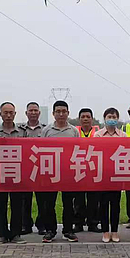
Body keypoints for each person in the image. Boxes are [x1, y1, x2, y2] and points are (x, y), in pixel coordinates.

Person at [0, 102, 27, 245]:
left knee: (17, 205)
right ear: (0, 114)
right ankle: (2, 234)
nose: (8, 115)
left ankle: (16, 233)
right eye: (6, 113)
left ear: (15, 114)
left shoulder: (22, 132)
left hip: (17, 174)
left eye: (11, 113)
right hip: (0, 174)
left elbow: (27, 151)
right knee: (1, 205)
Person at [41, 100, 80, 243]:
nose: (61, 114)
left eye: (64, 111)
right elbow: (41, 150)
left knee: (68, 203)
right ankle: (50, 231)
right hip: (51, 171)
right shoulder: (47, 131)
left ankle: (68, 230)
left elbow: (78, 150)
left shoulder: (74, 131)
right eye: (58, 111)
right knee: (49, 203)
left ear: (68, 113)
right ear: (53, 113)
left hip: (68, 172)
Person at [95, 107, 126, 243]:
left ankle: (114, 231)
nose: (112, 119)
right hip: (102, 173)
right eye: (109, 117)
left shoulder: (123, 135)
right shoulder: (98, 135)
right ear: (104, 119)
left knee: (115, 204)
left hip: (117, 173)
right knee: (103, 204)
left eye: (114, 117)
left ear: (117, 119)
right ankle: (105, 232)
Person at [74, 108, 101, 233]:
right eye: (83, 117)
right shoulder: (74, 132)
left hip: (93, 169)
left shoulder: (98, 133)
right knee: (78, 199)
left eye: (88, 117)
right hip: (78, 168)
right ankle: (78, 223)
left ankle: (92, 223)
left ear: (92, 119)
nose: (85, 119)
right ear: (79, 119)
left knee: (93, 199)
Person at [23, 102, 45, 235]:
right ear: (26, 113)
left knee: (42, 199)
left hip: (40, 168)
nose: (33, 113)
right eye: (30, 110)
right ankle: (26, 224)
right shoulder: (20, 130)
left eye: (35, 110)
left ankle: (42, 224)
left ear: (39, 113)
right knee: (25, 199)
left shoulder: (45, 129)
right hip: (25, 169)